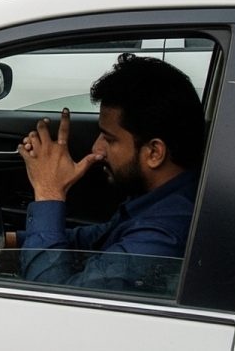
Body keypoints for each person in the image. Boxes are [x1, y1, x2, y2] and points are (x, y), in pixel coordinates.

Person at [10, 54, 205, 290]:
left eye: (109, 139)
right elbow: (98, 238)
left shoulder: (161, 237)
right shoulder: (160, 199)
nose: (97, 149)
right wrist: (6, 241)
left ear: (154, 152)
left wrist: (48, 193)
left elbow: (55, 304)